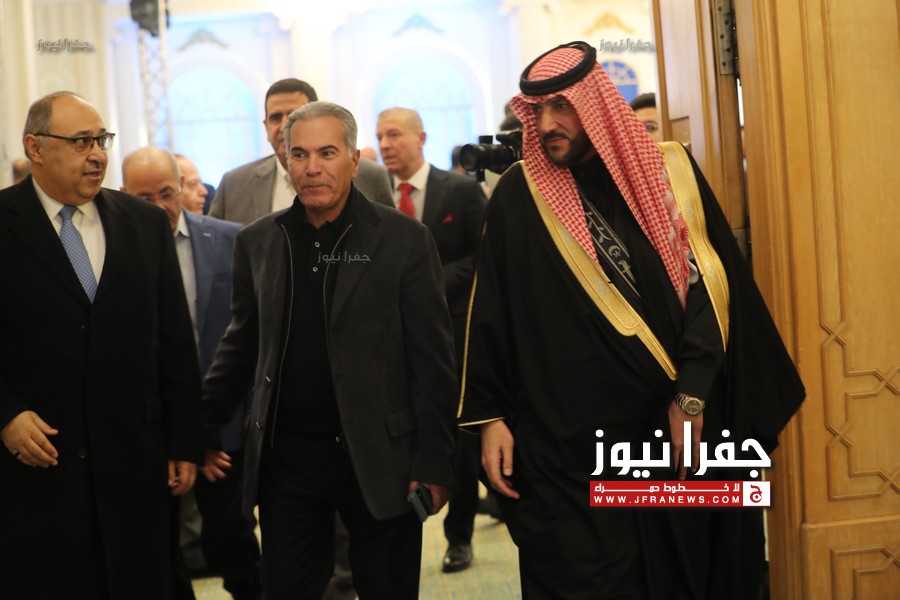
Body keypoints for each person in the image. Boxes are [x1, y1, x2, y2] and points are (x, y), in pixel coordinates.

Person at [459, 42, 805, 599]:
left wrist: (691, 395)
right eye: (537, 110)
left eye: (562, 107)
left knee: (690, 576)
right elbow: (492, 315)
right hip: (569, 449)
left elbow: (712, 291)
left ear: (595, 105)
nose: (546, 125)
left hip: (674, 432)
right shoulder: (519, 196)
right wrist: (490, 416)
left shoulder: (670, 171)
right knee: (584, 578)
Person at [201, 101, 457, 598]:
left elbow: (433, 361)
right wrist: (202, 425)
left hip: (381, 455)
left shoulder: (403, 239)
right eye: (299, 154)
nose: (312, 167)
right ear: (286, 161)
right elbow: (241, 343)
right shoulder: (259, 242)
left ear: (354, 161)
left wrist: (435, 463)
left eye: (327, 153)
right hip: (288, 459)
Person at [0, 91, 203, 598]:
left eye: (101, 140)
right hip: (38, 467)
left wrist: (184, 441)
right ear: (36, 147)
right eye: (80, 142)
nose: (96, 155)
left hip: (135, 461)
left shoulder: (144, 223)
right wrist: (6, 413)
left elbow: (175, 342)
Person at [122, 147, 263, 600]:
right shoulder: (113, 252)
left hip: (225, 423)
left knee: (230, 537)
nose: (159, 207)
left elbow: (253, 334)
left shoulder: (229, 239)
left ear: (183, 188)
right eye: (144, 199)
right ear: (123, 195)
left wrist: (213, 430)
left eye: (167, 193)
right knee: (158, 548)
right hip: (153, 427)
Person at [377, 107, 487, 573]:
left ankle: (459, 537)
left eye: (394, 135)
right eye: (380, 137)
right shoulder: (372, 194)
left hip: (452, 334)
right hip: (390, 341)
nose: (385, 145)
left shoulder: (459, 190)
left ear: (420, 138)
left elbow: (483, 257)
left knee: (456, 437)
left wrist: (429, 283)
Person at [210, 78, 393, 224]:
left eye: (293, 115)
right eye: (275, 117)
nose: (284, 127)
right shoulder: (234, 186)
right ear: (265, 126)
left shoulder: (371, 176)